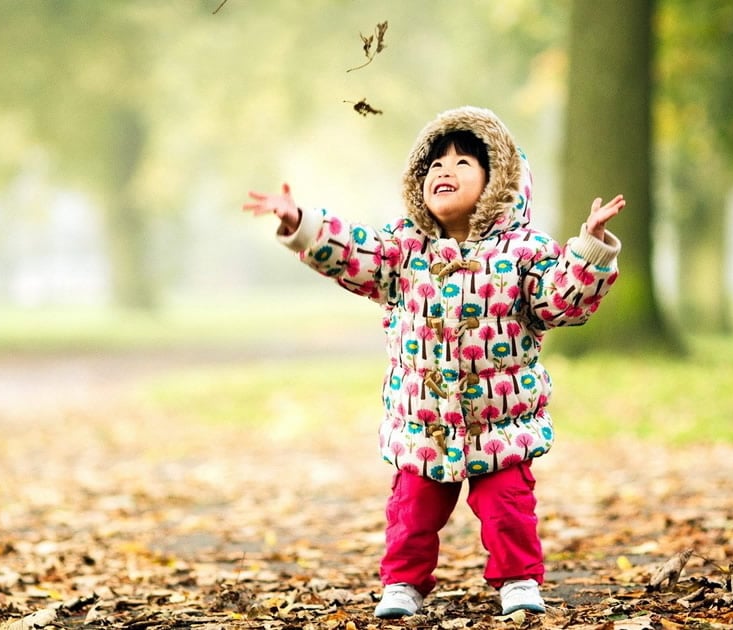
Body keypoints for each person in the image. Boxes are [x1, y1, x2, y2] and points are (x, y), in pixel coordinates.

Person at [242, 106, 623, 618]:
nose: (445, 170)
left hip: (500, 421)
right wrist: (303, 224)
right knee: (411, 513)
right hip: (423, 421)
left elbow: (561, 302)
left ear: (498, 183)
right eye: (436, 163)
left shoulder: (524, 251)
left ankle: (517, 580)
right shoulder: (404, 249)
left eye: (465, 162)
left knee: (508, 508)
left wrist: (590, 250)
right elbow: (356, 253)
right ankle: (402, 583)